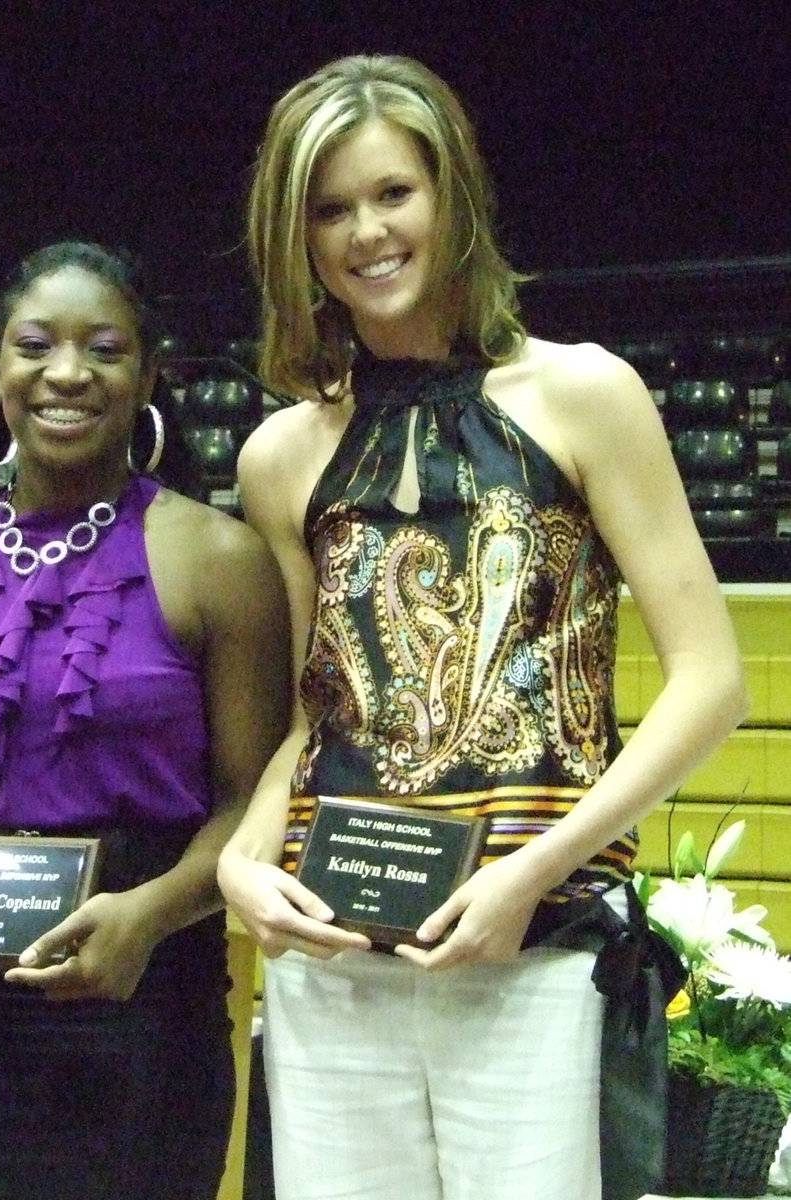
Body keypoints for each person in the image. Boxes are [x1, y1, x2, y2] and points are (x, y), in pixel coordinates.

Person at [216, 54, 747, 1200]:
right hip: (334, 956)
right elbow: (315, 716)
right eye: (330, 209)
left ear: (451, 194)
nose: (366, 231)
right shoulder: (279, 456)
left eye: (392, 193)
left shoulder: (585, 393)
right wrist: (240, 860)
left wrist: (531, 873)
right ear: (296, 238)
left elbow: (713, 684)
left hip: (536, 948)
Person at [0, 241, 290, 1200]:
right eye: (35, 345)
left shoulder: (220, 559)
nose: (66, 373)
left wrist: (149, 916)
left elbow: (251, 802)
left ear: (147, 378)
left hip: (143, 1003)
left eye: (103, 349)